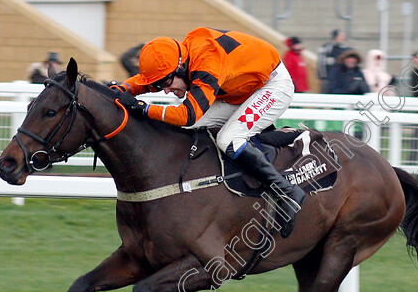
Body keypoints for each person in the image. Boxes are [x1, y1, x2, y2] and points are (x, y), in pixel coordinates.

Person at [110, 28, 305, 238]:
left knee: (228, 139)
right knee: (183, 129)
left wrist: (142, 108)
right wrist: (124, 88)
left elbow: (188, 115)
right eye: (160, 85)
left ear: (181, 67)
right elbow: (150, 80)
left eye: (166, 84)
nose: (165, 90)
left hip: (272, 86)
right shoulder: (184, 59)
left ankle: (287, 192)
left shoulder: (206, 64)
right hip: (240, 89)